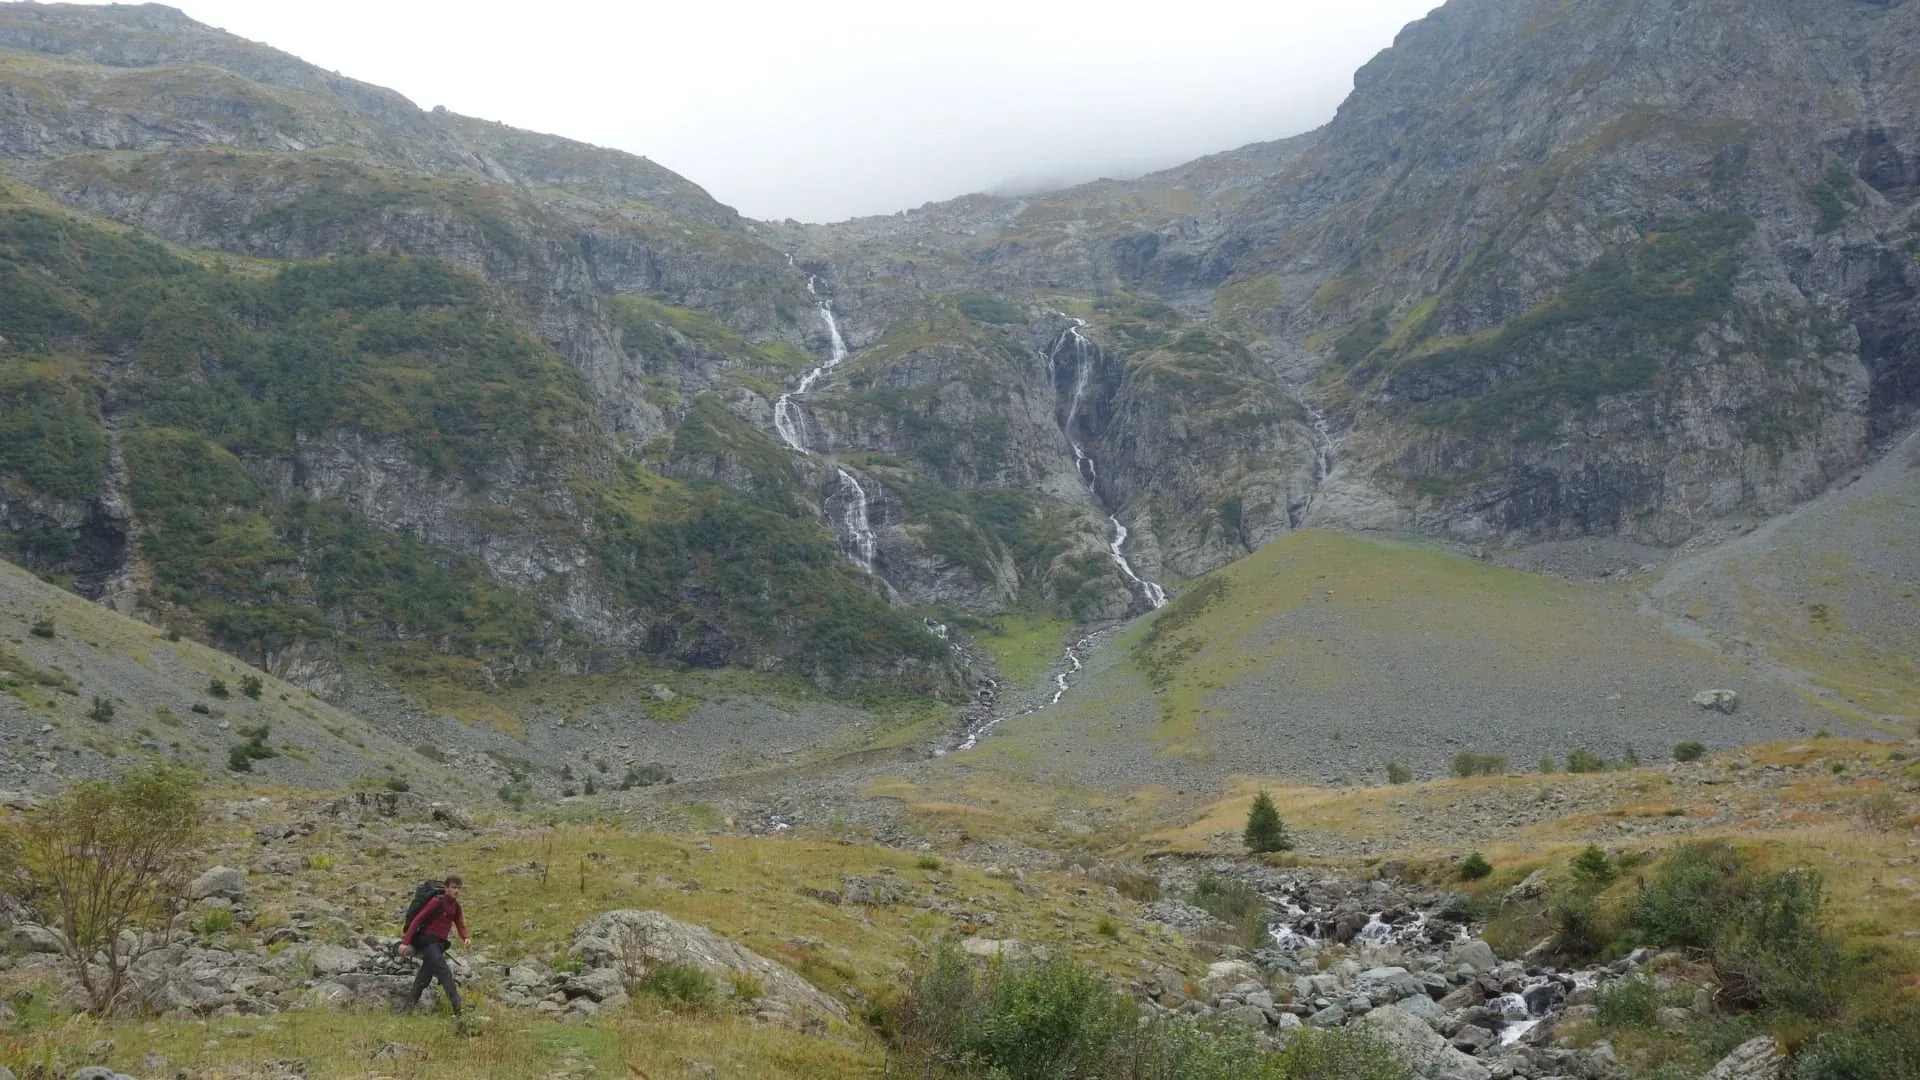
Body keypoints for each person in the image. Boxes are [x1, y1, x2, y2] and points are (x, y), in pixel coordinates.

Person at [399, 873, 470, 1015]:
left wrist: (465, 937)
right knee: (444, 972)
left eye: (458, 888)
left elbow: (460, 924)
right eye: (454, 887)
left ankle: (406, 1010)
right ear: (446, 888)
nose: (456, 891)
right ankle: (458, 1008)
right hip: (427, 940)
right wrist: (405, 942)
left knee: (424, 978)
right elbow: (417, 920)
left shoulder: (456, 907)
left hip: (439, 944)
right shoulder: (437, 902)